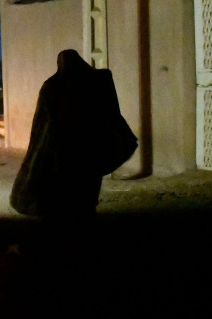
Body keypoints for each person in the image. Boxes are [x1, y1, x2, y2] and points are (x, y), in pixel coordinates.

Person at [9, 49, 126, 225]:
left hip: (63, 145)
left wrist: (40, 143)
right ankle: (83, 214)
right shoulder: (94, 83)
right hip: (89, 143)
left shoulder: (53, 86)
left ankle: (67, 217)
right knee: (87, 179)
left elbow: (42, 119)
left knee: (67, 179)